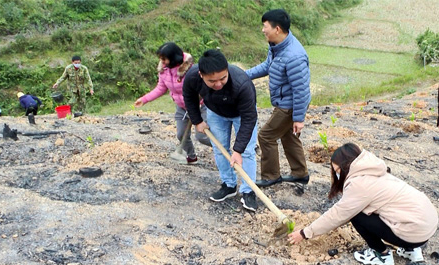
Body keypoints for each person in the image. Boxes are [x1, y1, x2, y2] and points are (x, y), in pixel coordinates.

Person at [288, 143, 438, 265]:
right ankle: (410, 250)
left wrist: (305, 233)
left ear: (346, 166)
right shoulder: (375, 170)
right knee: (373, 210)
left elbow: (337, 215)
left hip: (413, 233)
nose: (337, 174)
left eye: (337, 170)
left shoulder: (359, 184)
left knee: (357, 216)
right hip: (426, 227)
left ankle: (382, 255)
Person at [183, 49, 259, 212]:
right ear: (201, 75)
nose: (218, 84)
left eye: (222, 78)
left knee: (246, 152)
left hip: (241, 115)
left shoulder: (241, 83)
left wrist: (238, 150)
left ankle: (248, 191)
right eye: (212, 81)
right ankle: (229, 185)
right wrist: (197, 120)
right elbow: (189, 96)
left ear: (227, 70)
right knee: (219, 149)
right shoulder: (192, 77)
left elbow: (249, 118)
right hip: (216, 113)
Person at [245, 9, 311, 188]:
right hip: (284, 101)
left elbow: (301, 89)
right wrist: (244, 75)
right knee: (288, 136)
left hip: (289, 105)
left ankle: (271, 176)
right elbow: (268, 66)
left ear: (277, 29)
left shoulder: (294, 56)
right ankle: (300, 173)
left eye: (265, 26)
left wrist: (298, 118)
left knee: (266, 136)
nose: (262, 30)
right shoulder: (276, 46)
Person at [134, 42, 211, 164]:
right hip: (182, 107)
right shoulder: (164, 70)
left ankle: (225, 151)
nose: (162, 61)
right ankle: (191, 157)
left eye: (164, 59)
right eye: (161, 58)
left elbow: (205, 85)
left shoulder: (191, 70)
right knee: (181, 134)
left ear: (174, 58)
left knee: (202, 136)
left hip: (199, 105)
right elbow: (161, 88)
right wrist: (144, 99)